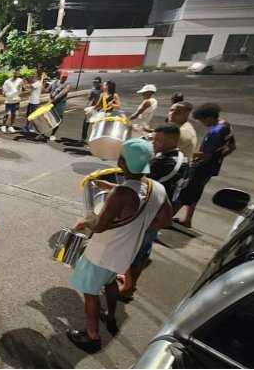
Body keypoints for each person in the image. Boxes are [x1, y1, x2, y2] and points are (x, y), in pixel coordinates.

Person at [67, 138, 172, 353]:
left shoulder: (121, 194)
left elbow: (99, 226)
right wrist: (139, 226)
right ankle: (110, 315)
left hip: (102, 252)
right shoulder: (157, 188)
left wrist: (84, 223)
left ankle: (92, 336)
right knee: (110, 281)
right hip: (126, 253)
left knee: (90, 291)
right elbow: (165, 220)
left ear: (122, 162)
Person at [95, 124, 189, 302]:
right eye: (154, 139)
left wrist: (110, 187)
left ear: (173, 139)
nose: (154, 143)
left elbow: (138, 189)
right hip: (158, 211)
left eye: (158, 140)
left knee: (134, 252)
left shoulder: (163, 163)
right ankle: (129, 281)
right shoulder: (182, 159)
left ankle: (127, 289)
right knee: (142, 251)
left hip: (148, 214)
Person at [174, 103, 236, 229]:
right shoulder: (226, 126)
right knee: (197, 191)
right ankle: (187, 219)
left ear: (209, 117)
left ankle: (165, 219)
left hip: (201, 167)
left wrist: (187, 153)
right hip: (212, 168)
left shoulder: (215, 132)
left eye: (203, 120)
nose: (202, 124)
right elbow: (232, 147)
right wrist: (219, 158)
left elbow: (205, 155)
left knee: (185, 192)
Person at [43, 70, 71, 141]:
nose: (64, 78)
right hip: (52, 104)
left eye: (65, 77)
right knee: (47, 119)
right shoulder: (54, 83)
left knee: (57, 121)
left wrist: (50, 102)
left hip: (59, 106)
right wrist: (41, 81)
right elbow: (46, 91)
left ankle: (52, 135)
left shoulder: (67, 85)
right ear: (60, 76)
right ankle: (42, 133)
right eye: (63, 76)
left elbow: (60, 95)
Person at [1, 68, 23, 133]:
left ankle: (11, 126)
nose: (17, 74)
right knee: (7, 113)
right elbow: (4, 91)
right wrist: (7, 94)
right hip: (9, 100)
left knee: (14, 114)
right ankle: (3, 125)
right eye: (16, 73)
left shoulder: (20, 80)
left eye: (18, 73)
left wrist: (20, 89)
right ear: (13, 73)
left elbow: (21, 90)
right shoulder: (7, 81)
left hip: (16, 100)